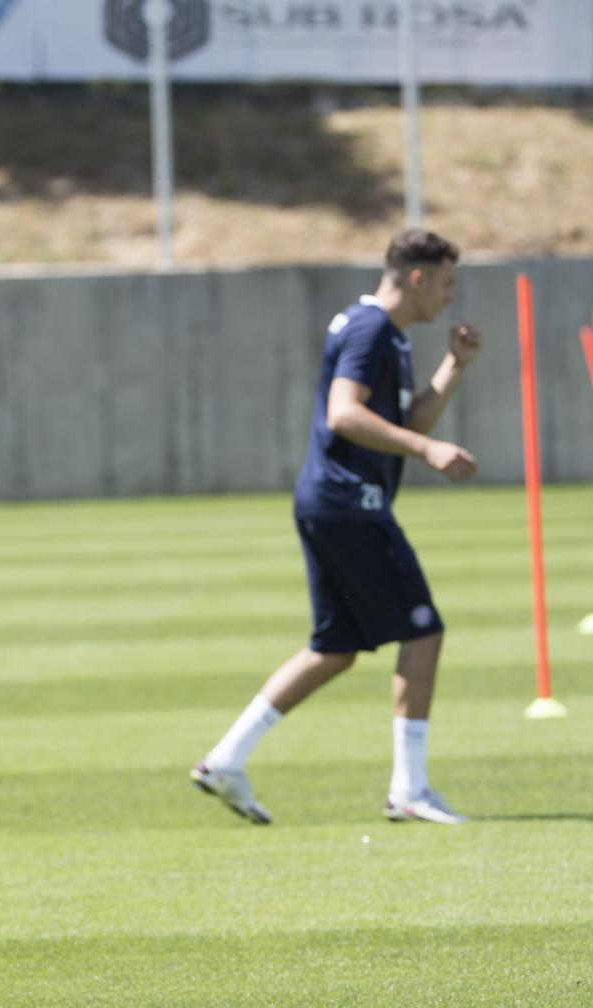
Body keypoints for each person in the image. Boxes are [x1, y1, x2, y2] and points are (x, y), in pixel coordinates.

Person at [193, 228, 481, 826]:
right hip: (353, 504)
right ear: (418, 278)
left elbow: (404, 417)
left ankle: (226, 759)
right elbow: (344, 413)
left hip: (333, 502)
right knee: (423, 632)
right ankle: (409, 789)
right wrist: (427, 450)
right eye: (447, 283)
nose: (451, 297)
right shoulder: (371, 328)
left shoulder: (388, 336)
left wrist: (454, 364)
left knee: (336, 649)